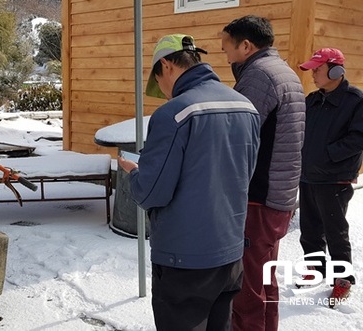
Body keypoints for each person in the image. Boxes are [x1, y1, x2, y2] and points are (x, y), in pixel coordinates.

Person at [118, 33, 260, 330]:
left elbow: (151, 192)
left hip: (185, 259)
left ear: (166, 65)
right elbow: (243, 173)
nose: (165, 92)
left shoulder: (175, 113)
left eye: (160, 81)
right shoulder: (246, 106)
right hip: (230, 253)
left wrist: (134, 173)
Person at [221, 15, 306, 330]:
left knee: (248, 289)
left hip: (259, 196)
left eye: (227, 48)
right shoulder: (284, 71)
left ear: (246, 45)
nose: (226, 55)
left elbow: (237, 134)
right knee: (265, 281)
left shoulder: (259, 75)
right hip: (279, 196)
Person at [297, 48, 363, 307]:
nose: (312, 74)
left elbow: (358, 138)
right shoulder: (312, 100)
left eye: (317, 69)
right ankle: (315, 269)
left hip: (334, 178)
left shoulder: (355, 101)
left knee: (335, 232)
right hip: (308, 175)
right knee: (309, 229)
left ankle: (342, 280)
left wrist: (327, 155)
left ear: (336, 70)